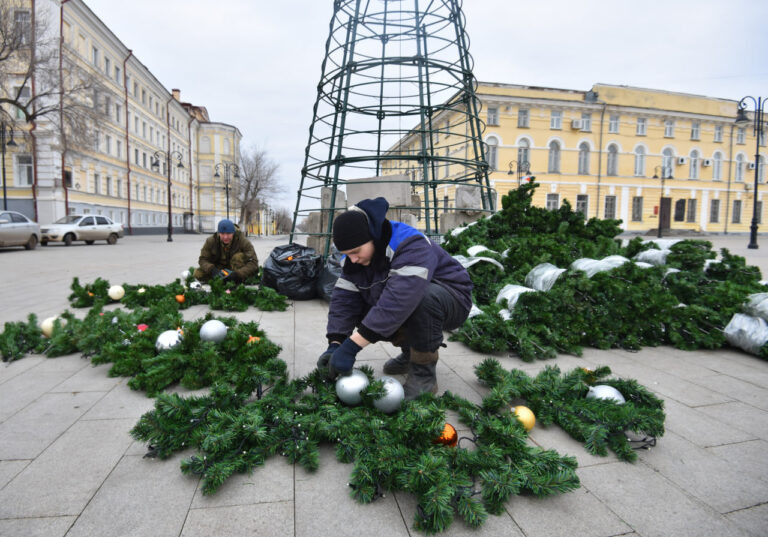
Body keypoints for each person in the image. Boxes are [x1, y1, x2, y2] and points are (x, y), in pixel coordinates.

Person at [317, 197, 472, 400]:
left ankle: (423, 375)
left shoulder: (410, 243)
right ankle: (410, 353)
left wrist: (352, 346)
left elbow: (401, 299)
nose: (352, 259)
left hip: (452, 297)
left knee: (420, 299)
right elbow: (344, 300)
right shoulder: (353, 259)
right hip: (410, 298)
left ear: (372, 236)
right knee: (366, 304)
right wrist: (336, 343)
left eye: (355, 252)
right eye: (347, 254)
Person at [193, 219, 259, 284]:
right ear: (219, 233)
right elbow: (203, 259)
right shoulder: (211, 241)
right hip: (218, 269)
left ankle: (235, 280)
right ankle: (222, 280)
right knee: (198, 273)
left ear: (233, 232)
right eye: (222, 234)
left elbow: (253, 262)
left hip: (236, 269)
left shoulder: (243, 241)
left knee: (238, 257)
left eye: (228, 233)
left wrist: (237, 274)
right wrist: (213, 270)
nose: (225, 237)